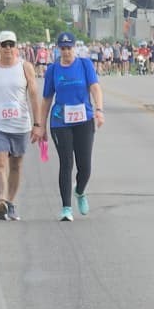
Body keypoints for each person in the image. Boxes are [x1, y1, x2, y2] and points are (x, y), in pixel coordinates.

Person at [0, 30, 41, 221]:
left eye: (11, 44)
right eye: (4, 44)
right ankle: (2, 200)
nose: (8, 48)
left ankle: (10, 202)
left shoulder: (25, 67)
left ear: (16, 46)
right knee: (0, 162)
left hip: (20, 125)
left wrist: (37, 124)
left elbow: (34, 96)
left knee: (16, 165)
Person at [39, 31, 105, 222]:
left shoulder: (84, 65)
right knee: (66, 163)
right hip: (61, 121)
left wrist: (99, 110)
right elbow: (46, 99)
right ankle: (66, 208)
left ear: (75, 48)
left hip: (84, 119)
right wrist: (40, 125)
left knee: (85, 166)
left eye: (69, 48)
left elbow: (95, 88)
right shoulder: (53, 69)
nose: (66, 52)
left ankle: (80, 191)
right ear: (58, 49)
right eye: (63, 48)